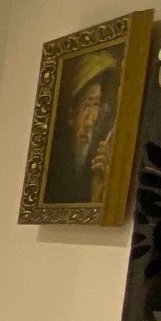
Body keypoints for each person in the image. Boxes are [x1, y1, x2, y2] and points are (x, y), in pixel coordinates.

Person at [43, 50, 120, 208]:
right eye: (86, 105)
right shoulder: (53, 160)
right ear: (72, 115)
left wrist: (101, 189)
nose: (90, 121)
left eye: (96, 104)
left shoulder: (100, 157)